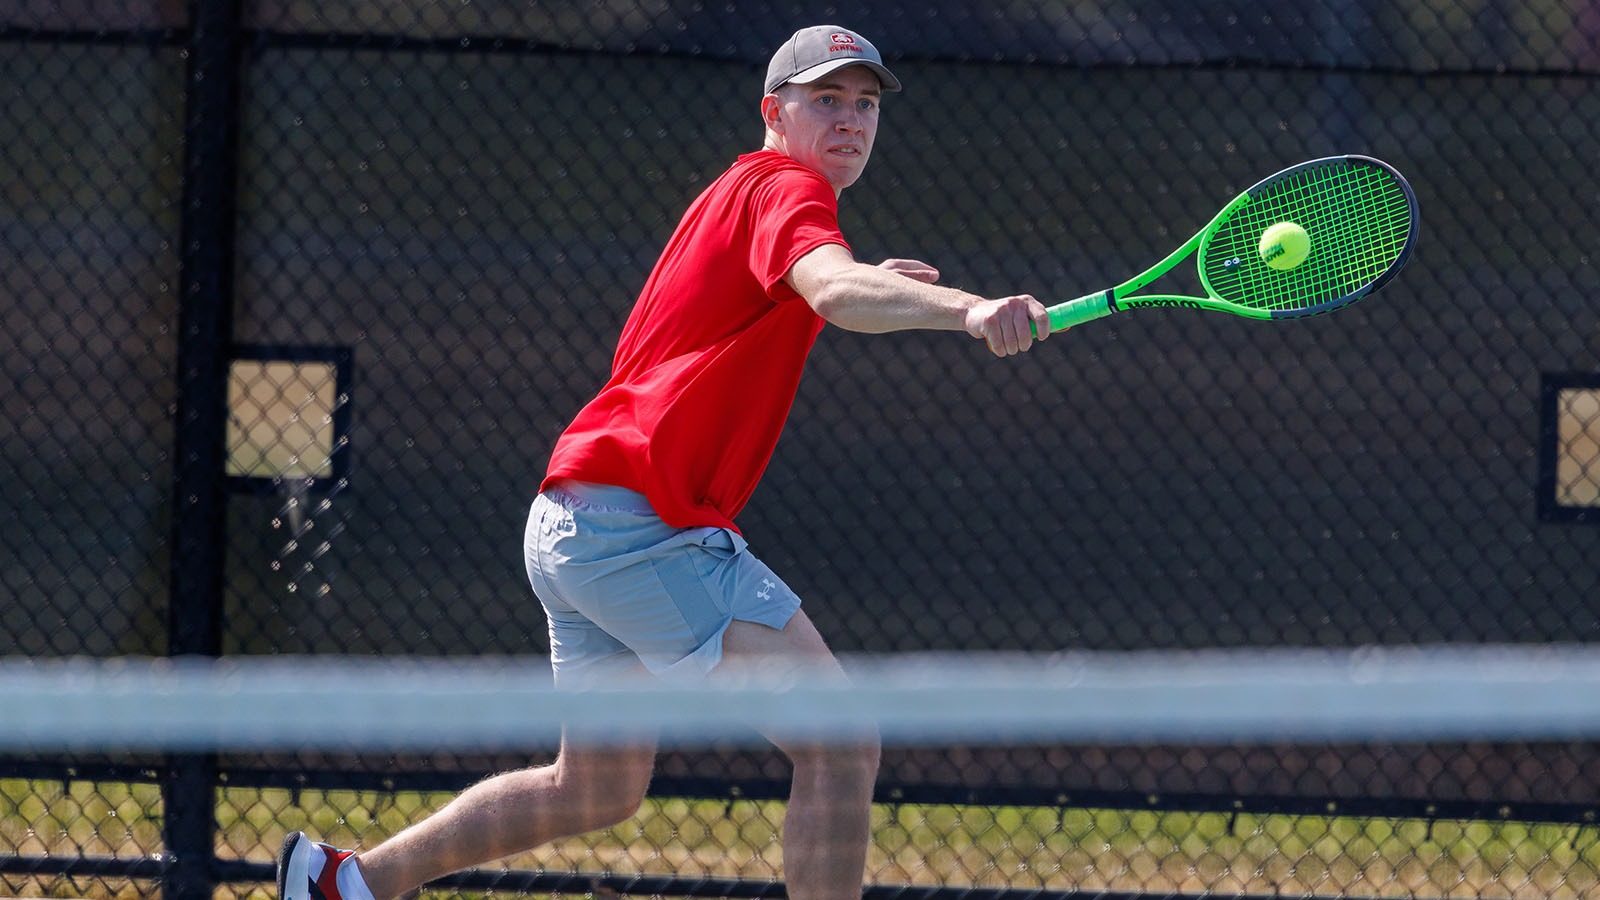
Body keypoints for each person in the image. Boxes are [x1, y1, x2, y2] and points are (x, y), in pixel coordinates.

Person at [277, 23, 1051, 900]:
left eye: (866, 104)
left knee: (595, 787)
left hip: (571, 520)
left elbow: (816, 286)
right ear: (774, 112)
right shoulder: (788, 187)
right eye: (826, 100)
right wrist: (969, 309)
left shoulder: (740, 191)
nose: (851, 121)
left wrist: (881, 283)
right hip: (643, 527)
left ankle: (347, 883)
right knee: (840, 742)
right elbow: (835, 291)